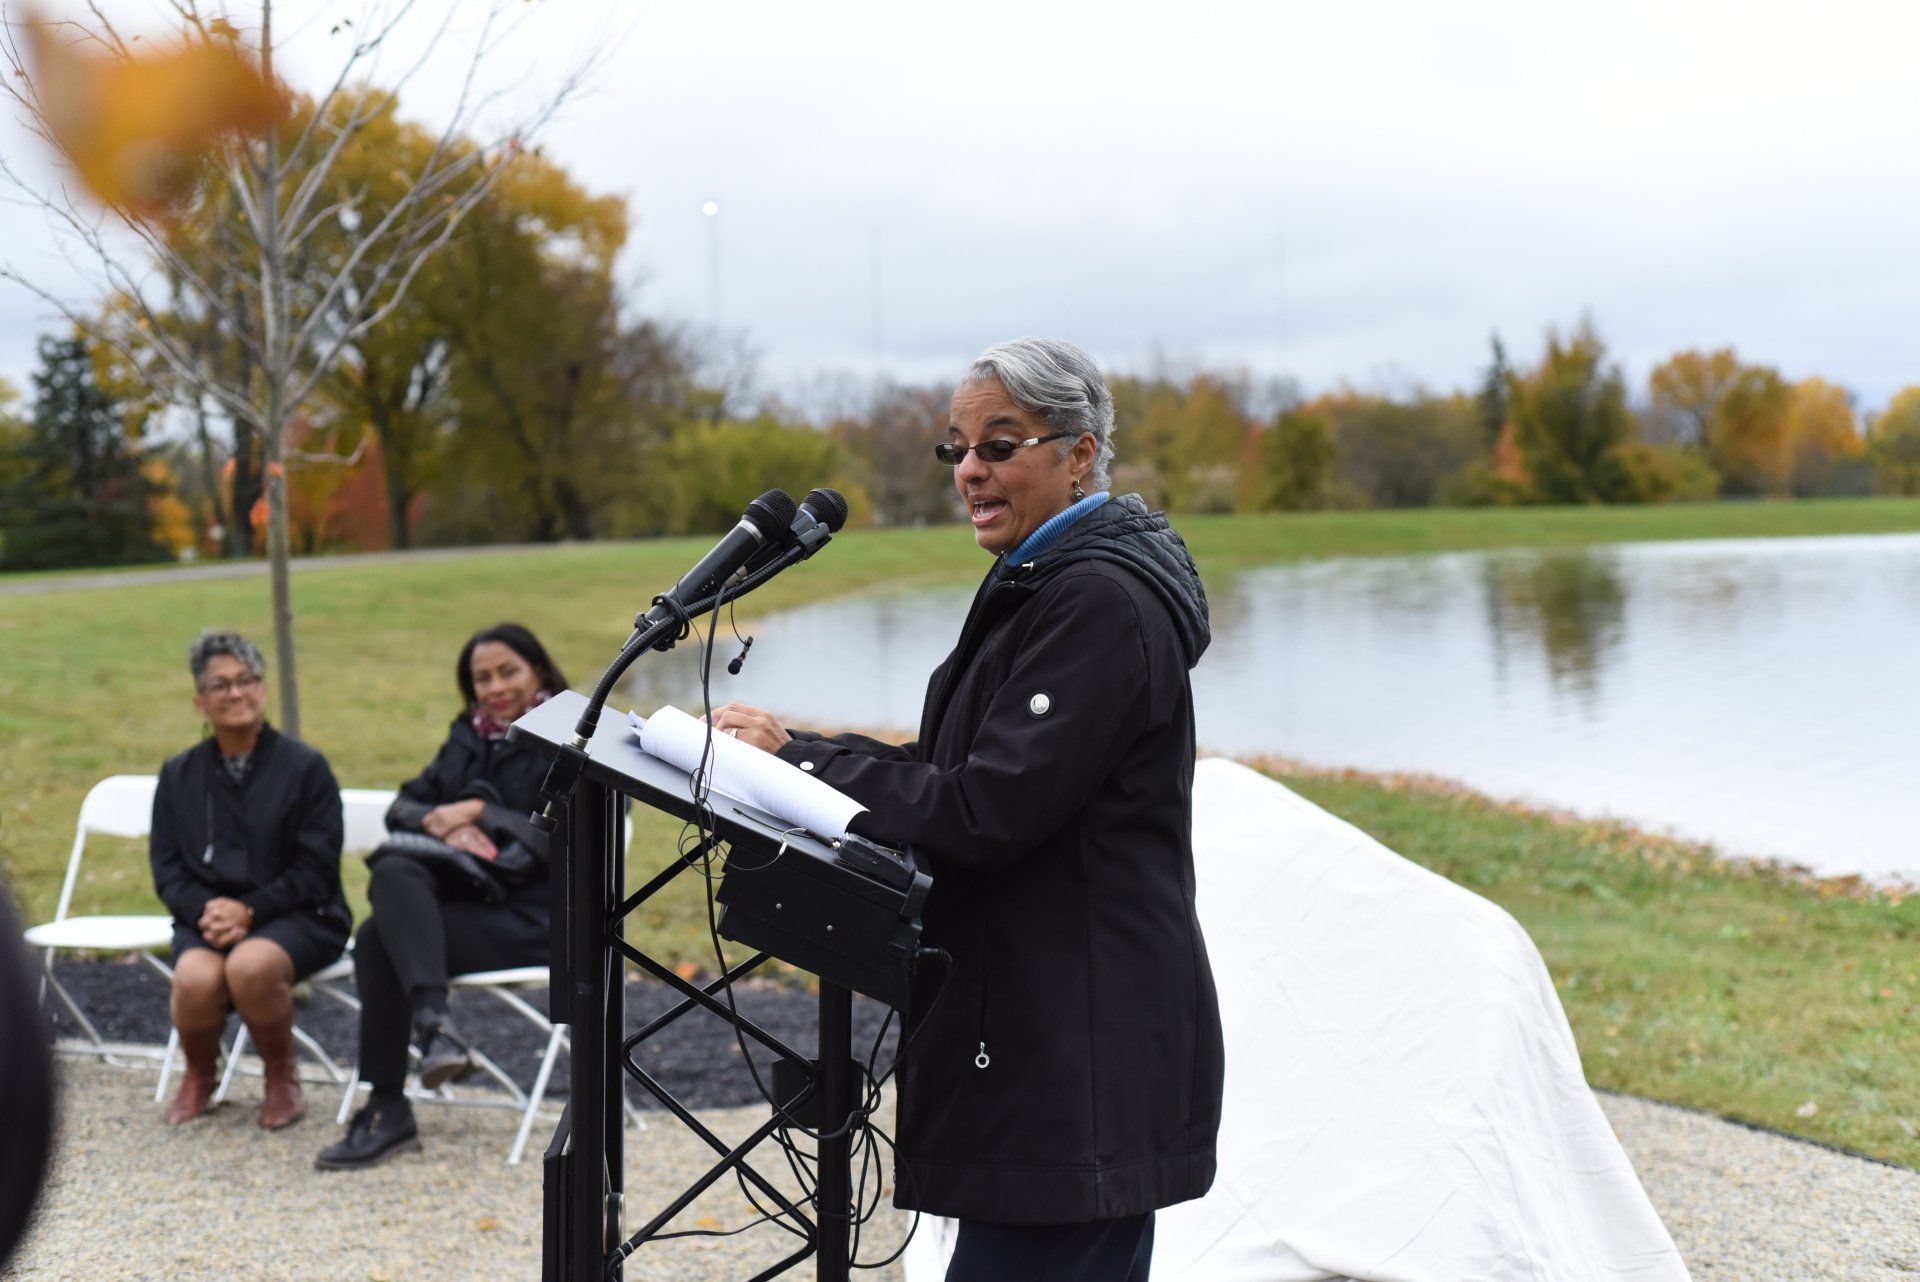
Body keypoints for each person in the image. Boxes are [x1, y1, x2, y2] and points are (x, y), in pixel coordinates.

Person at [710, 337, 1224, 1281]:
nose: (972, 472)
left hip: (1078, 1051)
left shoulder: (1098, 603)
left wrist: (807, 769)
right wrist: (800, 755)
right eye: (957, 449)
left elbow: (987, 807)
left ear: (1079, 452)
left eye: (999, 444)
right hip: (1042, 1031)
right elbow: (953, 770)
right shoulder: (1043, 582)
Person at [317, 622, 566, 1171]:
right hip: (471, 903)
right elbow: (402, 806)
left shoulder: (572, 738)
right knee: (389, 895)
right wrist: (445, 824)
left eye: (508, 672)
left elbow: (578, 837)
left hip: (540, 919)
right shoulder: (467, 736)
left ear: (538, 672)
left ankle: (391, 1102)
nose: (495, 687)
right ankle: (433, 1029)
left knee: (378, 937)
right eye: (482, 678)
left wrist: (482, 815)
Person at [150, 631, 349, 1129]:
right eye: (220, 685)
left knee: (250, 967)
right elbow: (168, 868)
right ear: (200, 700)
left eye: (246, 681)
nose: (235, 693)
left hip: (302, 915)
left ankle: (280, 1075)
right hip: (210, 918)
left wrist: (251, 910)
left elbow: (317, 870)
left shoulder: (306, 769)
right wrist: (207, 912)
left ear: (262, 690)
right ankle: (199, 1074)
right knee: (194, 978)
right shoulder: (178, 775)